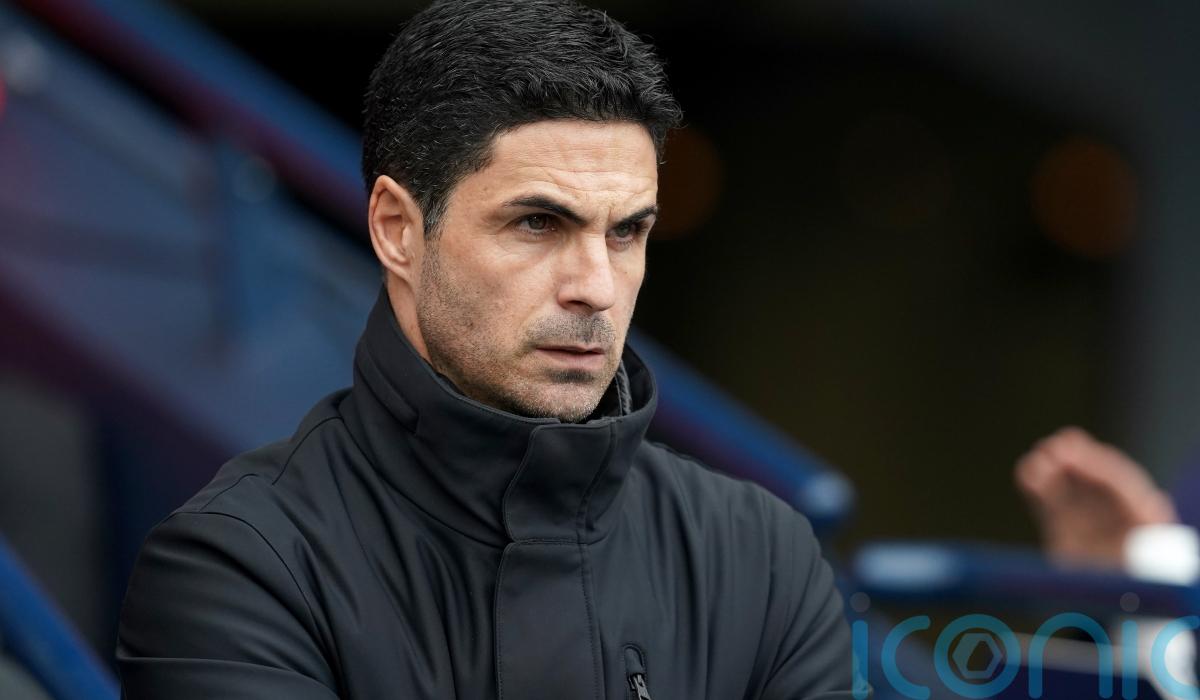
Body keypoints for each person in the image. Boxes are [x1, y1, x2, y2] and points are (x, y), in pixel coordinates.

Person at [115, 1, 860, 698]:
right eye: (538, 223)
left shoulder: (762, 555)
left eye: (626, 231)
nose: (597, 288)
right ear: (398, 230)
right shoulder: (238, 564)